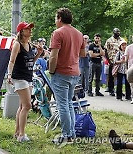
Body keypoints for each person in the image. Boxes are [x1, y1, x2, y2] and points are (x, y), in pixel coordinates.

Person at [49, 8, 85, 144]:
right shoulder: (79, 34)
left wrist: (51, 71)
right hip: (75, 73)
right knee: (69, 104)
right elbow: (82, 54)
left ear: (59, 18)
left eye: (55, 18)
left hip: (61, 73)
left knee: (62, 105)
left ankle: (65, 136)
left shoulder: (58, 33)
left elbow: (53, 56)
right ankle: (72, 134)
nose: (55, 21)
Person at [7, 21, 43, 142]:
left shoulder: (30, 45)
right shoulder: (17, 44)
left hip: (28, 77)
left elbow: (30, 62)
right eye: (27, 29)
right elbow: (11, 61)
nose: (30, 30)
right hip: (19, 77)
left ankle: (17, 133)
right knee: (27, 105)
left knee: (22, 106)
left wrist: (38, 53)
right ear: (21, 31)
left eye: (30, 28)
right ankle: (22, 135)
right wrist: (9, 74)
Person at [104, 28, 125, 96]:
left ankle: (119, 90)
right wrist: (109, 60)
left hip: (120, 60)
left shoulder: (122, 40)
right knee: (111, 75)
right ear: (113, 33)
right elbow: (106, 51)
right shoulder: (109, 40)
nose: (118, 33)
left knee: (119, 76)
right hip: (112, 60)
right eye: (116, 32)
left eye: (119, 32)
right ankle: (111, 89)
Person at [125, 38, 133, 103]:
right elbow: (126, 60)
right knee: (132, 84)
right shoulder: (128, 47)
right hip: (131, 67)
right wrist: (126, 68)